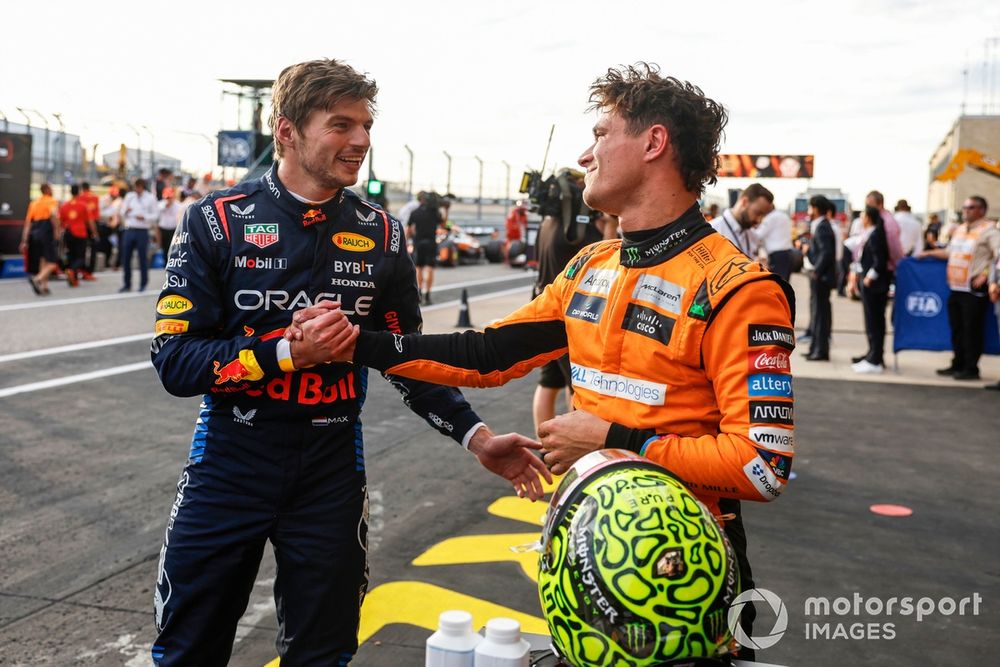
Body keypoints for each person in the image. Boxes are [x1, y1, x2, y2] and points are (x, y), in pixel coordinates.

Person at [299, 63, 797, 660]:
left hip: (687, 572)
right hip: (585, 550)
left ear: (653, 143)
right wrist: (359, 344)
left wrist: (614, 439)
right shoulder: (591, 267)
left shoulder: (739, 288)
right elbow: (487, 355)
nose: (586, 156)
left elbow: (763, 466)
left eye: (601, 134)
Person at [147, 58, 547, 667]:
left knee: (324, 652)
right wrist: (285, 353)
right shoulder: (214, 220)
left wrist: (478, 436)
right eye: (341, 125)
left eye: (365, 125)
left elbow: (406, 356)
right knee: (188, 650)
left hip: (330, 468)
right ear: (287, 131)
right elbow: (175, 361)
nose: (360, 140)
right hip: (229, 461)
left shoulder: (382, 233)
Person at [920, 196, 1000, 380]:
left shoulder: (989, 231)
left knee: (971, 328)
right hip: (956, 287)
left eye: (970, 207)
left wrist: (987, 274)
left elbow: (998, 256)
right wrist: (927, 253)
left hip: (973, 289)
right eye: (964, 207)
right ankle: (958, 362)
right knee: (957, 328)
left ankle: (971, 367)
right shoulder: (960, 230)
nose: (965, 210)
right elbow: (950, 252)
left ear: (981, 210)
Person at [851, 206, 891, 374]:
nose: (861, 219)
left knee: (875, 322)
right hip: (869, 283)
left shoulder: (875, 235)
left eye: (863, 216)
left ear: (869, 217)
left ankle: (875, 359)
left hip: (875, 285)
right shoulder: (870, 234)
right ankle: (872, 354)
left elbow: (880, 260)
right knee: (871, 321)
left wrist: (870, 276)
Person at [802, 195, 836, 361]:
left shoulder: (822, 226)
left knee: (820, 315)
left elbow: (826, 252)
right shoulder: (822, 225)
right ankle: (815, 348)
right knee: (817, 313)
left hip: (821, 278)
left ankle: (820, 350)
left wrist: (817, 271)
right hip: (821, 276)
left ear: (815, 208)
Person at [709, 182, 774, 258]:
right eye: (757, 213)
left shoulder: (752, 235)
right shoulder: (712, 230)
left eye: (763, 216)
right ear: (744, 202)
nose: (759, 220)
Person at [20, 183, 61, 295]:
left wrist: (24, 240)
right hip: (47, 232)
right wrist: (57, 231)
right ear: (47, 190)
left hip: (35, 233)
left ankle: (44, 286)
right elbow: (53, 215)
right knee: (52, 261)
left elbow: (28, 224)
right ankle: (37, 279)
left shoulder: (34, 203)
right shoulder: (52, 201)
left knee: (43, 259)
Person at [118, 177, 158, 292]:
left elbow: (155, 215)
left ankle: (143, 284)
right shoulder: (130, 196)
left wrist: (144, 217)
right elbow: (121, 212)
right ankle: (127, 284)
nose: (137, 189)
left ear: (142, 187)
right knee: (126, 258)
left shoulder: (150, 198)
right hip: (130, 229)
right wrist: (126, 211)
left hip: (142, 230)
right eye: (135, 187)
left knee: (142, 258)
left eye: (139, 187)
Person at [407, 191, 442, 304]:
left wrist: (408, 242)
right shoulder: (434, 212)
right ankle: (428, 295)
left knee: (419, 269)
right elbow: (443, 224)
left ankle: (420, 293)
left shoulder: (415, 212)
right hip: (431, 242)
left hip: (419, 243)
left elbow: (410, 229)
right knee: (430, 268)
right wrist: (446, 210)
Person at [59, 184, 94, 286]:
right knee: (81, 257)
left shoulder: (64, 205)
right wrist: (94, 233)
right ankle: (72, 270)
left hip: (68, 233)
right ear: (78, 192)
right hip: (80, 233)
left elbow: (60, 221)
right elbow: (90, 222)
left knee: (71, 255)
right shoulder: (83, 205)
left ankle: (74, 279)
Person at [755, 207, 794, 281]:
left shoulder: (770, 218)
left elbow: (758, 235)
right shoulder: (784, 215)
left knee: (777, 283)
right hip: (788, 253)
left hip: (777, 256)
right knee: (784, 283)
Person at [78, 181, 100, 279]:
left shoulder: (79, 198)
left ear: (82, 188)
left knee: (81, 249)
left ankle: (81, 270)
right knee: (93, 249)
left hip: (82, 226)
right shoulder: (95, 197)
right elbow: (96, 213)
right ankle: (89, 272)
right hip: (93, 224)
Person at [155, 187, 182, 254]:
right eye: (167, 198)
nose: (168, 199)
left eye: (170, 197)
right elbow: (157, 217)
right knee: (164, 250)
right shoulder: (160, 205)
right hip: (163, 230)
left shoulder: (178, 205)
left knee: (173, 250)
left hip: (174, 230)